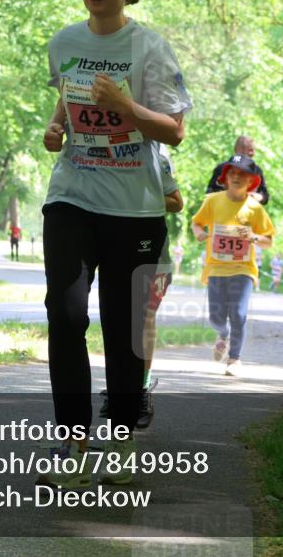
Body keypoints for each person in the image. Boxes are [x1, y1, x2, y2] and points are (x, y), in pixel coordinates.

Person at [39, 0, 191, 488]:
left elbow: (174, 130)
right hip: (72, 196)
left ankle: (122, 437)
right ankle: (74, 442)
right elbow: (67, 99)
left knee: (122, 326)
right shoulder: (64, 42)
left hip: (133, 207)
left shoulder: (149, 48)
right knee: (65, 315)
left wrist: (126, 107)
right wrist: (57, 127)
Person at [99, 153, 182, 428]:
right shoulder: (101, 152)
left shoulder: (156, 157)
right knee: (117, 320)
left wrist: (134, 198)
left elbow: (176, 202)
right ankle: (119, 389)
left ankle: (141, 389)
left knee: (144, 318)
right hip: (115, 248)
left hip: (152, 253)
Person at [192, 155, 275, 375]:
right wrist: (199, 232)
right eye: (233, 173)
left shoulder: (254, 208)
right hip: (216, 267)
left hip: (243, 268)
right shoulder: (213, 201)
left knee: (238, 313)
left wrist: (253, 236)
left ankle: (235, 359)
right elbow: (196, 222)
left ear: (251, 181)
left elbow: (268, 240)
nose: (237, 177)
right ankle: (223, 333)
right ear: (225, 178)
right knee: (216, 316)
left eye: (242, 174)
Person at [206, 135, 270, 204]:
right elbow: (209, 192)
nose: (252, 153)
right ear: (237, 150)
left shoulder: (256, 171)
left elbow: (265, 195)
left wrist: (259, 197)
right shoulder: (222, 168)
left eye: (253, 150)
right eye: (249, 150)